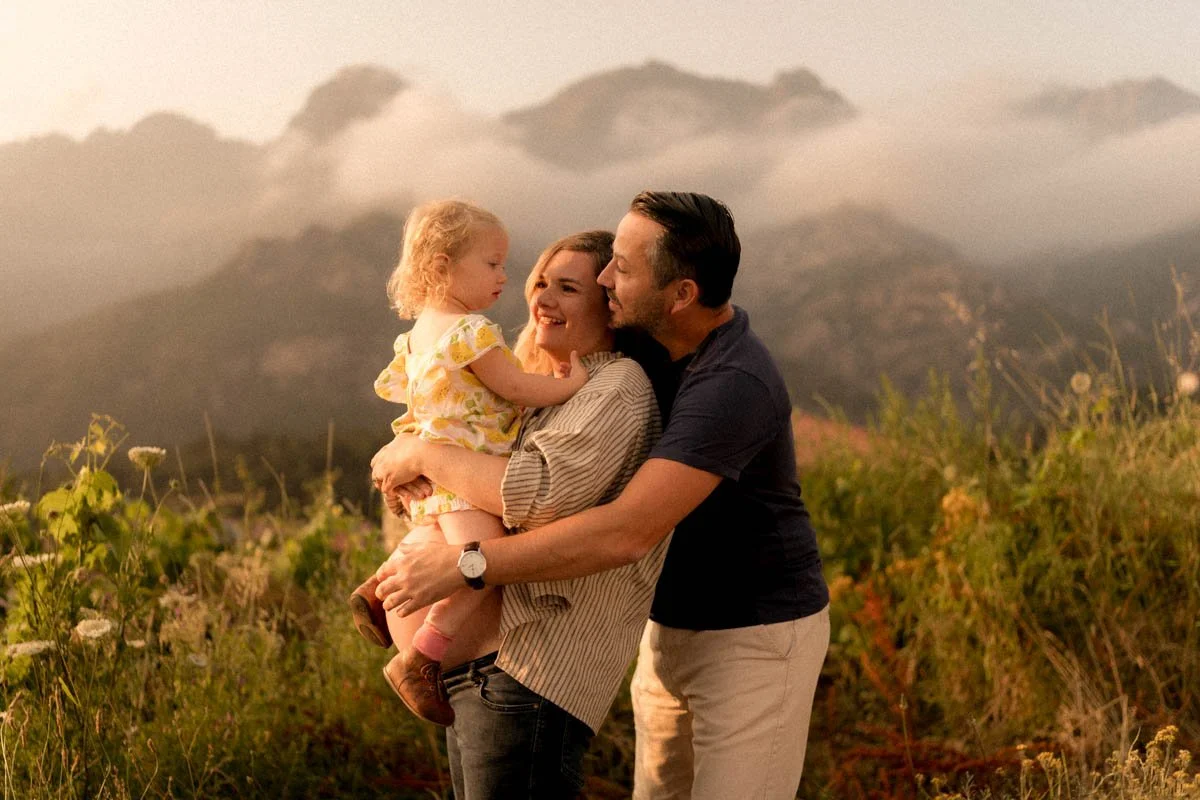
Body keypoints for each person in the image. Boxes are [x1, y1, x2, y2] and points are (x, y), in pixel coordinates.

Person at [373, 191, 831, 799]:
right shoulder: (640, 347)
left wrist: (458, 545)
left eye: (621, 269)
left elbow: (621, 529)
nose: (607, 279)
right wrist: (417, 464)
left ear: (681, 294)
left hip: (753, 632)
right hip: (667, 623)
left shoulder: (727, 383)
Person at [375, 230, 670, 797]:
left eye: (567, 288)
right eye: (539, 283)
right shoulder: (537, 398)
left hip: (528, 674)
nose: (543, 299)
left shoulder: (616, 385)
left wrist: (423, 454)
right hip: (479, 675)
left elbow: (537, 494)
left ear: (610, 305)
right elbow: (466, 488)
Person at [350, 199, 588, 726]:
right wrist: (567, 385)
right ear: (441, 265)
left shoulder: (417, 336)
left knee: (437, 537)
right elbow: (512, 385)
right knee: (486, 557)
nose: (505, 276)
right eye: (492, 263)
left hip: (434, 467)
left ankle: (378, 587)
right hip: (465, 468)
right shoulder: (470, 331)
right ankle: (423, 655)